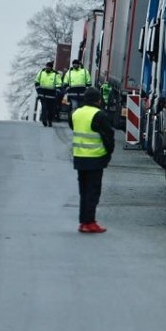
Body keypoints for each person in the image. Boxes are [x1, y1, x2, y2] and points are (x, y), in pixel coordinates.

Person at [71, 88, 115, 234]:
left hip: (79, 158)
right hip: (95, 159)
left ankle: (83, 221)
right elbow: (108, 137)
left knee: (83, 192)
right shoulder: (99, 115)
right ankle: (89, 222)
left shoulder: (76, 113)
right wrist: (108, 153)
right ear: (98, 100)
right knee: (93, 192)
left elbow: (73, 127)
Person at [35, 62, 62, 127]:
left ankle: (49, 120)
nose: (47, 68)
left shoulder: (56, 74)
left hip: (51, 95)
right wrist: (39, 91)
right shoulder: (41, 72)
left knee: (50, 110)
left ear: (51, 68)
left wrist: (57, 93)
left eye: (49, 67)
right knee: (44, 108)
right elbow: (37, 82)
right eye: (47, 66)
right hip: (43, 94)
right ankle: (44, 120)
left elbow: (59, 84)